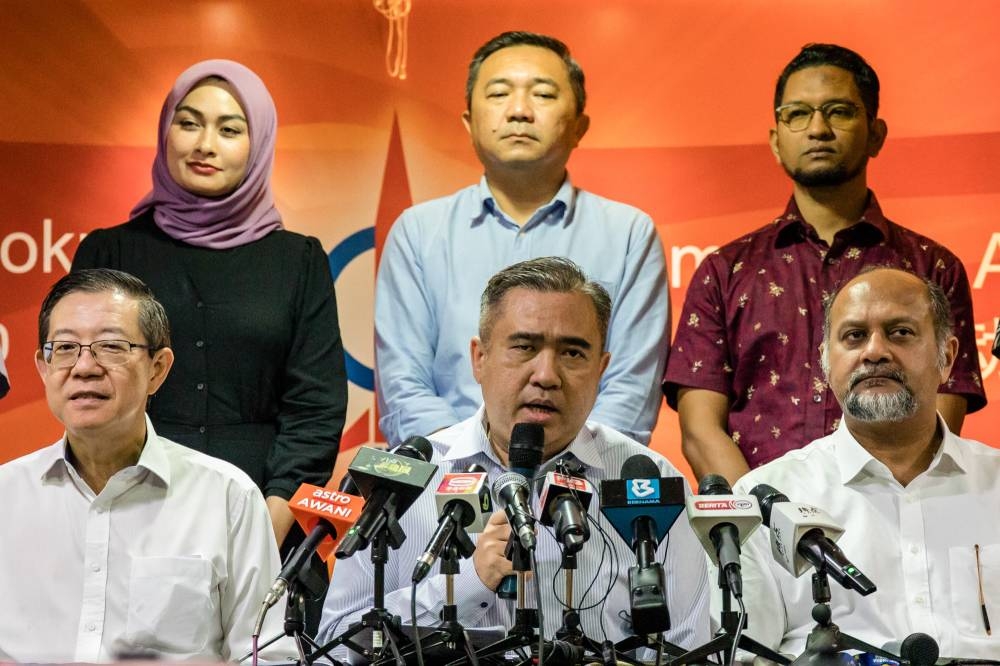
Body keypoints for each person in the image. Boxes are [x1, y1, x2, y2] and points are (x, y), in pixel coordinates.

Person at [319, 257, 708, 659]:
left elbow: (692, 649)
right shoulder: (407, 478)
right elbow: (336, 643)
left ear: (601, 370)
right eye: (524, 347)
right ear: (479, 358)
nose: (546, 375)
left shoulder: (651, 482)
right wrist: (468, 583)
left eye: (573, 353)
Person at [663, 44, 985, 484]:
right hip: (763, 532)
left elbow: (942, 402)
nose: (818, 129)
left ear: (876, 133)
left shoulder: (932, 268)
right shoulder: (725, 270)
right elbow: (701, 429)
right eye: (797, 114)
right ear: (776, 140)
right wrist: (767, 523)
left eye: (838, 111)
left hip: (899, 519)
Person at [71, 59, 348, 550]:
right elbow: (86, 388)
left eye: (229, 129)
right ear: (166, 130)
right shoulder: (108, 252)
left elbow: (315, 407)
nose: (205, 144)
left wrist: (268, 525)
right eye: (189, 122)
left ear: (258, 143)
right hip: (129, 510)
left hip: (261, 511)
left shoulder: (298, 260)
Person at [375, 31, 669, 447]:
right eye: (498, 94)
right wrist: (470, 467)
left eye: (544, 95)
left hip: (586, 489)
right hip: (448, 486)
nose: (519, 112)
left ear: (580, 126)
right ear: (469, 122)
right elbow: (405, 388)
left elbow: (629, 393)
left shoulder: (628, 233)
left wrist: (568, 476)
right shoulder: (419, 231)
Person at [0, 269, 295, 661]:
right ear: (43, 367)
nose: (84, 367)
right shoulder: (7, 496)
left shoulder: (226, 498)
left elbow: (267, 656)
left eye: (111, 346)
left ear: (158, 369)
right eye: (66, 348)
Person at [731, 267, 1000, 660]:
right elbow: (744, 656)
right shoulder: (765, 502)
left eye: (900, 332)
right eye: (854, 336)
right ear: (825, 361)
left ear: (947, 357)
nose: (875, 351)